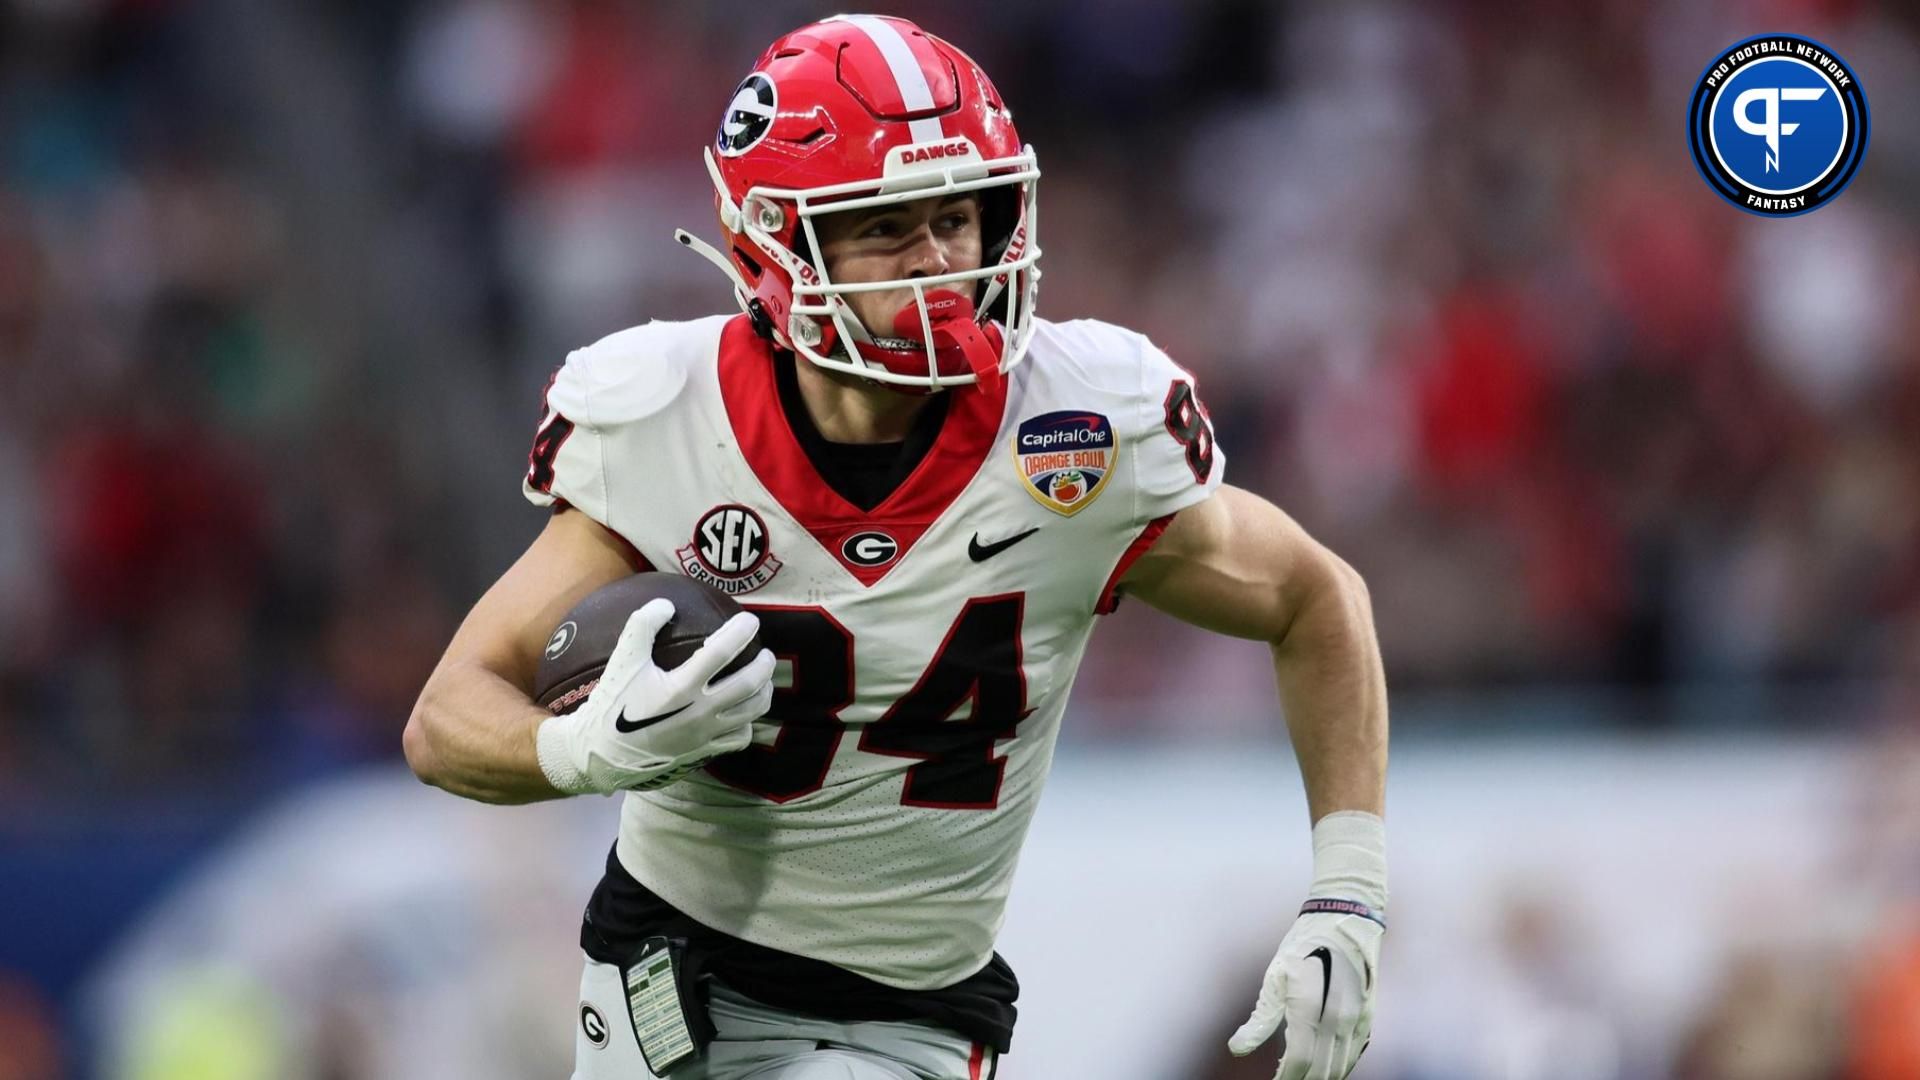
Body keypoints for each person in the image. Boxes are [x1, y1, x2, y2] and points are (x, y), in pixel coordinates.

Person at [403, 14, 1388, 1080]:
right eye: (884, 227)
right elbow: (447, 715)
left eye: (957, 218)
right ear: (770, 241)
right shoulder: (664, 420)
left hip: (913, 1014)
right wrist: (586, 748)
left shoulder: (1084, 430)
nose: (936, 265)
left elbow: (1313, 598)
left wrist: (1351, 888)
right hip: (665, 975)